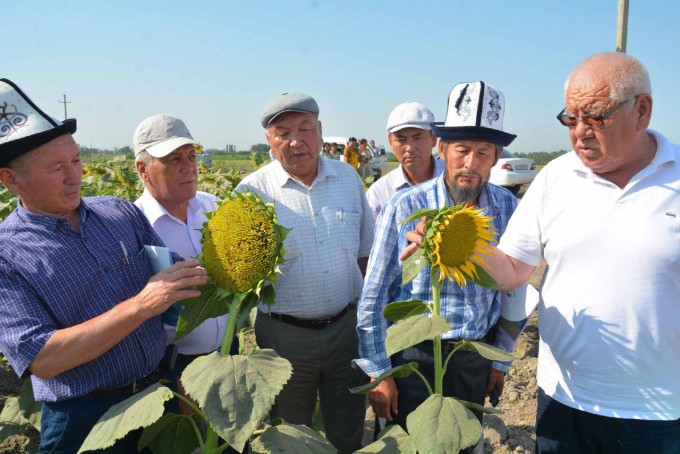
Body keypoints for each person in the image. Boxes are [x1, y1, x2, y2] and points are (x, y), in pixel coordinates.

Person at [405, 53, 680, 453]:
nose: (580, 132)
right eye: (571, 118)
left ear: (642, 110)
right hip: (563, 397)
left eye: (596, 117)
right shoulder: (556, 176)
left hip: (656, 409)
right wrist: (450, 241)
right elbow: (514, 269)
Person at [0, 79, 207, 453]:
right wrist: (142, 304)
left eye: (76, 160)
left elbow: (174, 275)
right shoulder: (7, 254)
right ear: (10, 179)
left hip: (155, 396)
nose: (74, 176)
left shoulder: (118, 212)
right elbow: (44, 359)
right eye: (56, 168)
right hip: (85, 415)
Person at [356, 81, 518, 454]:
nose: (470, 164)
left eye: (483, 152)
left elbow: (514, 291)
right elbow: (375, 295)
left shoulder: (506, 208)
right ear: (443, 149)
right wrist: (380, 372)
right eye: (462, 150)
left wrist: (501, 362)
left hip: (474, 355)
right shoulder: (406, 206)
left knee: (464, 445)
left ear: (496, 156)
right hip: (413, 357)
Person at [236, 92, 374, 453]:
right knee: (290, 435)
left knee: (348, 430)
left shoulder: (347, 178)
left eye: (304, 128)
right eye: (282, 132)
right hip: (285, 338)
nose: (295, 140)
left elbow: (365, 256)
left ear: (320, 131)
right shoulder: (250, 192)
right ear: (269, 140)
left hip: (347, 330)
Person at [132, 114, 231, 376]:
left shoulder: (215, 207)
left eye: (191, 156)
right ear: (143, 169)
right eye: (174, 159)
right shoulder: (135, 225)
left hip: (227, 351)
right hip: (173, 366)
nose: (188, 167)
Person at [365, 101, 443, 218]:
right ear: (390, 141)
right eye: (401, 139)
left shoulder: (454, 178)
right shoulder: (379, 193)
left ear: (433, 138)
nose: (410, 148)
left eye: (417, 138)